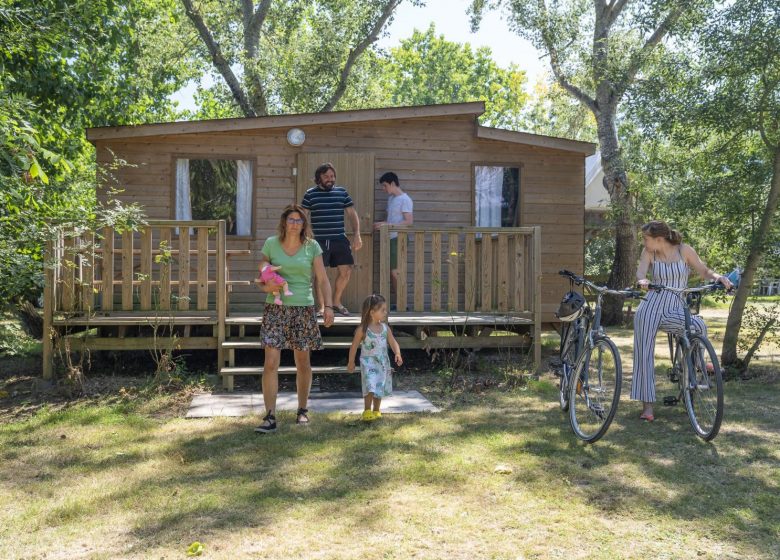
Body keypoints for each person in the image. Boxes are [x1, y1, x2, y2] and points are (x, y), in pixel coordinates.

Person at [633, 220, 732, 422]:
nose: (643, 242)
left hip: (675, 307)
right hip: (650, 307)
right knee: (644, 354)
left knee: (698, 325)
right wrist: (642, 281)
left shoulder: (683, 250)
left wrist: (718, 277)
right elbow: (641, 273)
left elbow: (704, 271)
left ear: (659, 239)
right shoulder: (649, 253)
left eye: (645, 238)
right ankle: (648, 408)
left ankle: (697, 364)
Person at [254, 204, 335, 433]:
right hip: (275, 309)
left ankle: (302, 410)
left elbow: (323, 279)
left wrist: (327, 306)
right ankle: (270, 416)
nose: (295, 223)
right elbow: (263, 268)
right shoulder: (271, 243)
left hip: (303, 308)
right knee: (270, 363)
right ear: (284, 221)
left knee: (303, 363)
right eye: (291, 219)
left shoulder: (312, 246)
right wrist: (265, 278)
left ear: (304, 224)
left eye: (299, 220)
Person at [301, 162, 362, 316]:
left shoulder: (342, 193)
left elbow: (352, 214)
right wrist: (306, 229)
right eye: (326, 176)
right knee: (320, 274)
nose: (330, 179)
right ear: (318, 178)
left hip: (339, 239)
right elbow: (303, 215)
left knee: (346, 271)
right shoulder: (310, 194)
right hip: (319, 241)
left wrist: (357, 234)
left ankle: (336, 302)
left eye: (332, 176)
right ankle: (321, 307)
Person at [347, 294, 402, 421]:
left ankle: (376, 410)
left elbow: (393, 342)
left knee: (379, 386)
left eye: (385, 309)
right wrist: (351, 362)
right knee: (370, 385)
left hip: (382, 363)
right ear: (372, 312)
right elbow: (354, 346)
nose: (385, 312)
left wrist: (397, 353)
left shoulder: (385, 328)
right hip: (368, 363)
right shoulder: (363, 329)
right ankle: (367, 410)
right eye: (382, 310)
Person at [373, 172, 413, 300]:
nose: (383, 189)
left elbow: (408, 222)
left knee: (396, 272)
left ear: (393, 183)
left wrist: (387, 225)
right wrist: (382, 225)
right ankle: (399, 302)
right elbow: (391, 219)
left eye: (385, 186)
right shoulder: (391, 199)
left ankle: (402, 304)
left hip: (399, 239)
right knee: (392, 272)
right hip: (389, 239)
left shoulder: (405, 199)